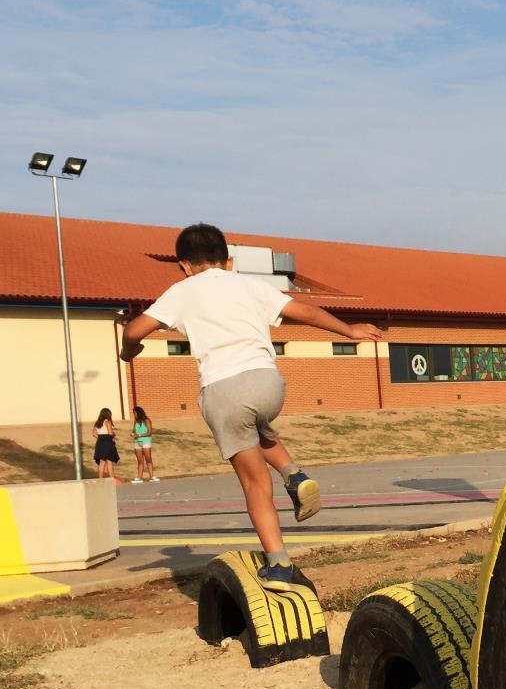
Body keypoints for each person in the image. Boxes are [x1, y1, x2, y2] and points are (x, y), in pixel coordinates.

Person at [119, 223, 381, 592]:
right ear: (228, 261)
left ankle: (279, 565)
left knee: (255, 484)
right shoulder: (249, 284)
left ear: (183, 265)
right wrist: (350, 331)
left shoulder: (180, 291)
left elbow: (134, 331)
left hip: (224, 389)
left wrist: (129, 352)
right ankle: (295, 475)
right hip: (268, 383)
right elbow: (304, 311)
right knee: (256, 425)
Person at [130, 406, 158, 483]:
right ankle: (139, 477)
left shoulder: (147, 420)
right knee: (140, 460)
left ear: (138, 413)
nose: (134, 415)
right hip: (137, 442)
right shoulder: (136, 421)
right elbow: (134, 430)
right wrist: (132, 433)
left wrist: (139, 435)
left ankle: (151, 476)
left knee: (148, 459)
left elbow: (149, 432)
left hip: (145, 441)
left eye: (135, 413)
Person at [92, 408, 120, 481]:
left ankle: (100, 479)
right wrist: (114, 434)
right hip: (107, 442)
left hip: (100, 442)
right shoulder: (108, 422)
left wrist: (101, 437)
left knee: (102, 462)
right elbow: (110, 433)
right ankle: (112, 479)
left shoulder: (97, 423)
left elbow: (94, 434)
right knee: (109, 461)